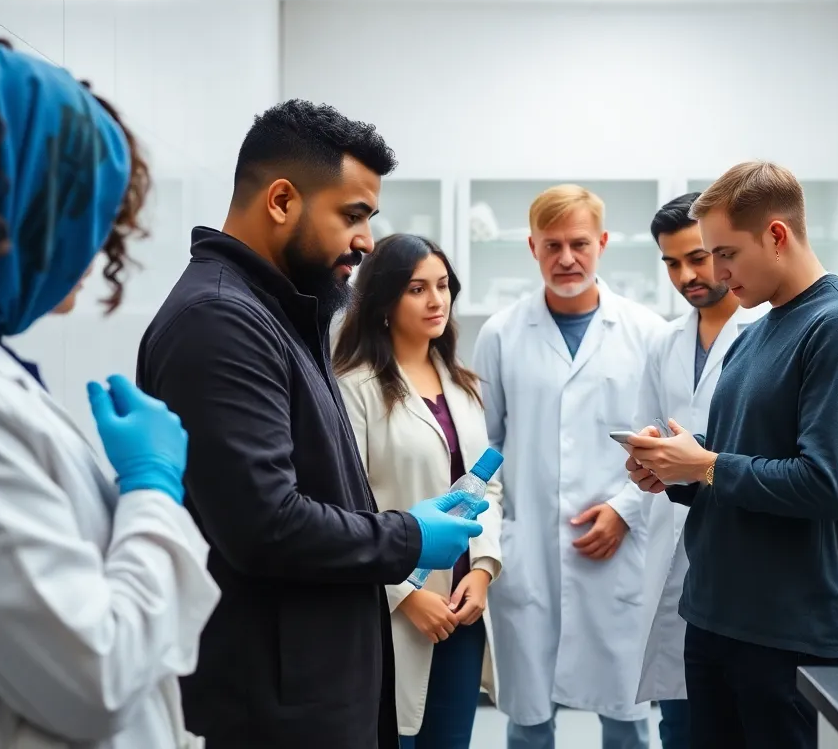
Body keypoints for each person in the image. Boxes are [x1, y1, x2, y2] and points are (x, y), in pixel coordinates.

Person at [135, 101, 487, 748]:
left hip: (311, 689)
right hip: (271, 709)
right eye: (351, 216)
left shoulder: (279, 314)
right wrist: (409, 537)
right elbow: (265, 524)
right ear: (281, 201)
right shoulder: (220, 321)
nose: (366, 242)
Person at [0, 25, 219, 747]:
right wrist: (152, 490)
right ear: (5, 202)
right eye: (78, 211)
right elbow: (97, 676)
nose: (96, 247)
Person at [625, 160, 838, 749]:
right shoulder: (756, 333)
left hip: (786, 627)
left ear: (777, 235)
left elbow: (826, 485)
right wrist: (675, 473)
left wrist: (703, 464)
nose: (716, 273)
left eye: (726, 253)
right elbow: (733, 466)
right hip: (714, 614)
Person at [473, 183, 665, 749]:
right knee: (528, 719)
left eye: (579, 243)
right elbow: (488, 447)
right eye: (551, 245)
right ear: (532, 247)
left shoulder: (647, 333)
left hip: (619, 549)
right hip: (528, 547)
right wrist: (495, 534)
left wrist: (626, 511)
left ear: (602, 242)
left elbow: (667, 446)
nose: (566, 258)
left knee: (627, 717)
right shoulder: (501, 334)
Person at [334, 233, 504, 749]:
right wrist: (405, 596)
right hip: (394, 613)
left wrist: (482, 570)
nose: (437, 300)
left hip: (462, 608)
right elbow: (347, 504)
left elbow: (487, 487)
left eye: (443, 286)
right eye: (417, 289)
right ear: (384, 300)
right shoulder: (353, 386)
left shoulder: (463, 383)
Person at [631, 193, 752, 749]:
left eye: (698, 257)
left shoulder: (763, 330)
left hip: (741, 539)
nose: (687, 275)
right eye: (672, 263)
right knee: (678, 719)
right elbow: (649, 426)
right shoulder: (665, 342)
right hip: (674, 536)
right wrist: (647, 456)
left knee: (736, 716)